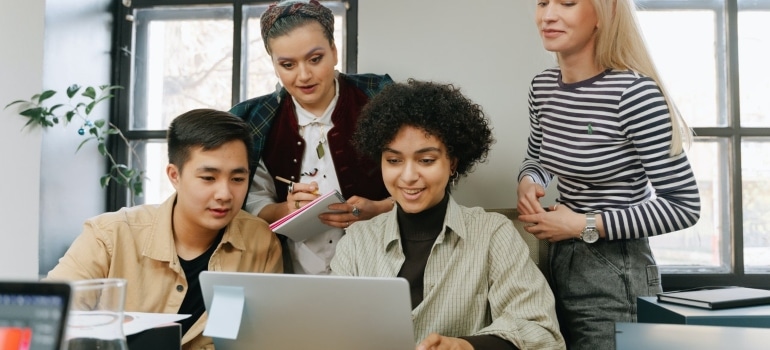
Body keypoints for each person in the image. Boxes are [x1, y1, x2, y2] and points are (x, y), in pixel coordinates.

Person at [516, 1, 702, 349]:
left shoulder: (634, 95)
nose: (548, 15)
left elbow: (684, 206)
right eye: (543, 2)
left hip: (617, 268)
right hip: (559, 259)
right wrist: (530, 181)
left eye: (567, 3)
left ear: (603, 14)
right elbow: (538, 159)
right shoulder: (542, 88)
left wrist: (582, 224)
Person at [332, 79, 566, 350]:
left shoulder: (492, 234)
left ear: (452, 163)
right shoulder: (357, 243)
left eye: (426, 160)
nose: (408, 176)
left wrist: (466, 346)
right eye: (394, 160)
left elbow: (543, 334)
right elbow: (331, 332)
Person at [47, 109, 283, 349]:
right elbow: (48, 317)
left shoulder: (260, 243)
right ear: (174, 175)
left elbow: (263, 338)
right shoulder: (109, 235)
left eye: (237, 179)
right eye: (208, 178)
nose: (224, 194)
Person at [229, 0, 393, 275]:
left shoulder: (379, 98)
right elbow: (253, 200)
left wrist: (378, 209)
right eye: (287, 64)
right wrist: (285, 209)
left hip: (380, 267)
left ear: (334, 51)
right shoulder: (255, 120)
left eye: (315, 59)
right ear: (274, 64)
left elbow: (421, 179)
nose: (304, 76)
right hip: (293, 273)